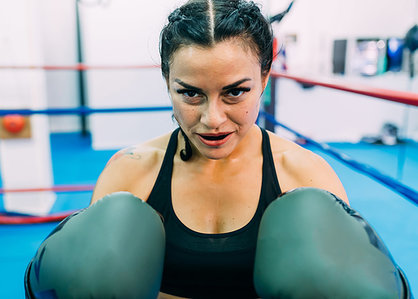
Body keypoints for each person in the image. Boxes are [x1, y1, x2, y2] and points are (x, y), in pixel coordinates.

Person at [25, 1, 411, 298]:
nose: (213, 119)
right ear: (167, 82)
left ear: (264, 78)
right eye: (190, 93)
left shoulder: (304, 174)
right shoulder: (131, 172)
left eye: (235, 92)